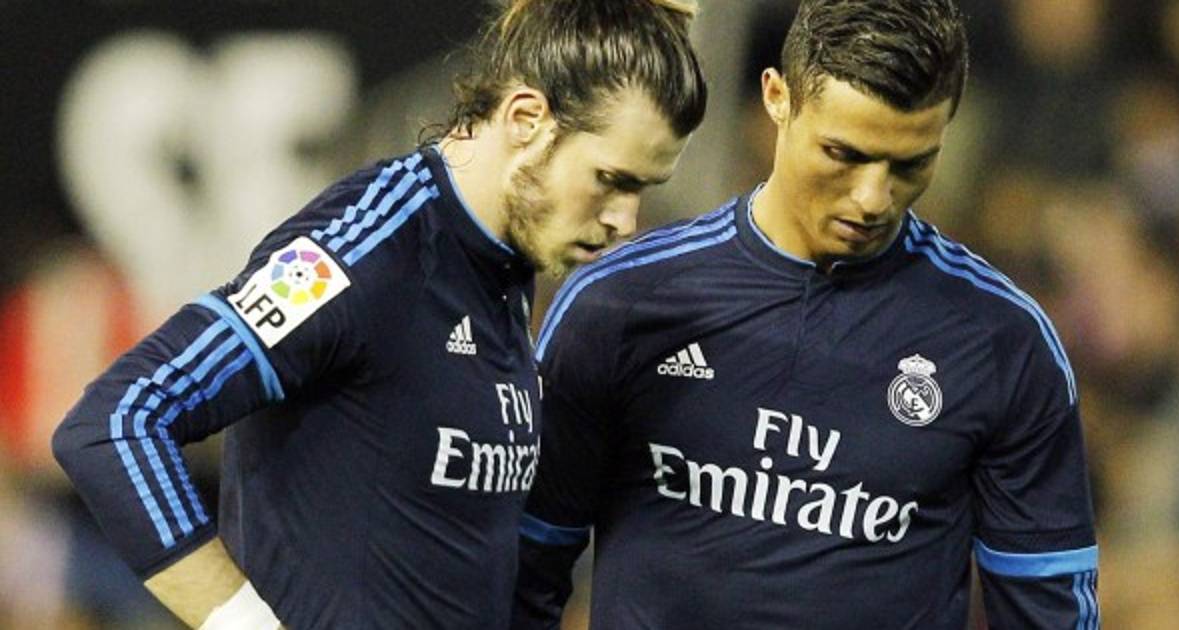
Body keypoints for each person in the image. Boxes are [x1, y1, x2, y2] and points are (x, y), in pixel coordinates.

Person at [51, 1, 705, 627]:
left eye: (643, 189)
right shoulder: (359, 253)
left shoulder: (503, 268)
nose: (626, 221)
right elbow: (117, 422)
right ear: (526, 118)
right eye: (611, 180)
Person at [512, 1, 1099, 628]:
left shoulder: (1003, 342)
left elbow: (1049, 613)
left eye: (909, 164)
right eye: (843, 154)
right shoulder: (621, 303)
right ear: (777, 98)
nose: (873, 199)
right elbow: (521, 572)